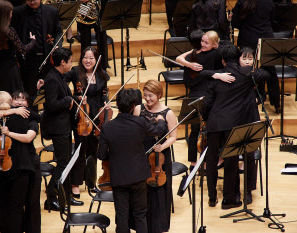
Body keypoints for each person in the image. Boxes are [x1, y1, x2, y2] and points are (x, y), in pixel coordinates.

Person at [200, 45, 267, 209]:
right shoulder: (246, 74)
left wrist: (206, 119)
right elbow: (265, 74)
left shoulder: (216, 76)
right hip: (233, 123)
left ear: (222, 60)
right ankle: (230, 199)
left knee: (211, 160)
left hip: (215, 123)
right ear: (237, 58)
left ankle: (211, 197)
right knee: (231, 161)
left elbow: (207, 102)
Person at [97, 88, 167, 233]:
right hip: (139, 175)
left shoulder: (107, 127)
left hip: (119, 178)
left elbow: (101, 155)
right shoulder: (139, 122)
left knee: (122, 216)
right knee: (140, 214)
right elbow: (158, 130)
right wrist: (160, 120)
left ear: (117, 104)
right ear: (134, 106)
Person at [0, 91, 39, 233]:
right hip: (22, 169)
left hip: (2, 168)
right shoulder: (26, 117)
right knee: (17, 207)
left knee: (4, 206)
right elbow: (37, 117)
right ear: (11, 102)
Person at [176, 30, 230, 170]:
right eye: (202, 41)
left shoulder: (217, 54)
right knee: (195, 129)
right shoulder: (195, 53)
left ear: (214, 45)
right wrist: (189, 65)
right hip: (196, 91)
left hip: (210, 92)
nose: (202, 44)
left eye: (206, 42)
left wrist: (217, 75)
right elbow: (179, 58)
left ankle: (214, 159)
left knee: (213, 128)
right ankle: (194, 162)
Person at [40, 47, 84, 210]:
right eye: (70, 61)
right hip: (58, 128)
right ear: (63, 62)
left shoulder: (58, 76)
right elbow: (51, 105)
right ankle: (51, 198)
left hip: (64, 125)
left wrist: (75, 98)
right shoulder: (52, 78)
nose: (72, 64)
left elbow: (62, 97)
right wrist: (68, 100)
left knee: (67, 162)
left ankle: (65, 195)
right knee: (62, 163)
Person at [64, 46, 110, 198]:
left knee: (92, 151)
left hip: (96, 118)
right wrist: (75, 97)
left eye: (91, 58)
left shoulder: (102, 75)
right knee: (80, 151)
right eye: (85, 57)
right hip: (81, 118)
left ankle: (91, 182)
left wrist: (106, 103)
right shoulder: (76, 73)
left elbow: (104, 94)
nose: (88, 61)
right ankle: (75, 184)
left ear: (96, 60)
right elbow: (60, 81)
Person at [133, 80, 177, 233]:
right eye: (145, 95)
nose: (147, 99)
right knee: (142, 190)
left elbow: (173, 136)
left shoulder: (168, 113)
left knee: (159, 192)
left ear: (159, 95)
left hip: (160, 156)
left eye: (150, 96)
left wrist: (161, 147)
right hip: (142, 153)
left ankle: (158, 226)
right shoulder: (139, 109)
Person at [231, 0, 280, 113]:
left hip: (248, 38)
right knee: (271, 70)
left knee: (246, 69)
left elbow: (235, 23)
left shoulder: (242, 2)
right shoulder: (269, 2)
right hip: (266, 38)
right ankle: (276, 102)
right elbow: (272, 20)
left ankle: (247, 98)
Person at [11, 0, 62, 106]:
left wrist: (57, 45)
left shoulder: (52, 11)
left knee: (50, 93)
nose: (32, 2)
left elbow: (58, 31)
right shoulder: (17, 12)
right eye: (29, 0)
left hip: (48, 59)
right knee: (30, 94)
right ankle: (32, 121)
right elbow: (13, 33)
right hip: (28, 60)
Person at [0, 0, 36, 94]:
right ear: (6, 15)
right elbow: (23, 49)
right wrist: (32, 41)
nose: (11, 15)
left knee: (3, 95)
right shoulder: (9, 31)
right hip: (11, 69)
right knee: (14, 95)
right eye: (10, 13)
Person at [77, 0, 109, 70]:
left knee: (102, 37)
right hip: (84, 7)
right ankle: (84, 67)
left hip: (98, 6)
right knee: (85, 39)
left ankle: (103, 67)